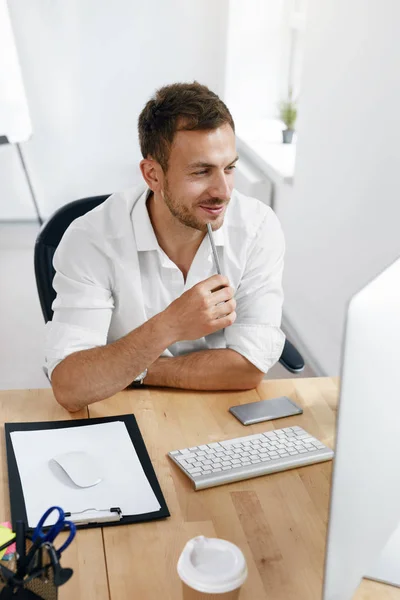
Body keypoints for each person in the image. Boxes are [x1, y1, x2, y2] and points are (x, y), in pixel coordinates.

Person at [44, 81, 285, 412]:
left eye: (229, 168)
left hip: (216, 412)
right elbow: (71, 387)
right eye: (201, 172)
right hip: (119, 413)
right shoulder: (91, 238)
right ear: (152, 175)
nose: (224, 191)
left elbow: (249, 368)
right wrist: (170, 324)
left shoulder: (258, 228)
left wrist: (135, 370)